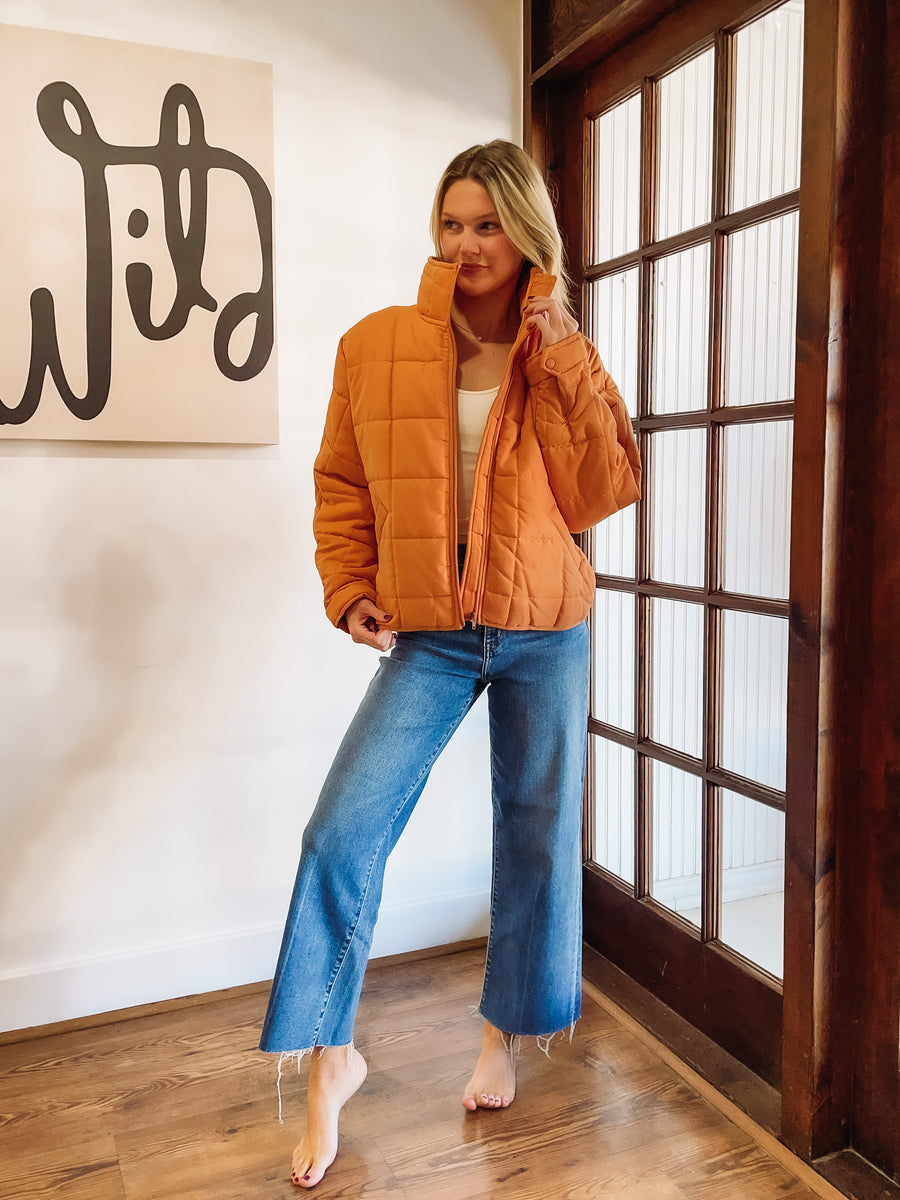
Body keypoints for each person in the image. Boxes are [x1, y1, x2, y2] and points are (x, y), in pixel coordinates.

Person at [259, 139, 641, 1189]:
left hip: (545, 627)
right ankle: (332, 1059)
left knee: (535, 837)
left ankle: (502, 1038)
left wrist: (561, 350)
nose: (467, 244)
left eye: (488, 225)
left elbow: (605, 489)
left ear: (528, 236)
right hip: (430, 632)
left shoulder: (560, 350)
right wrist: (350, 587)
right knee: (342, 832)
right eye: (452, 222)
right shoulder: (377, 344)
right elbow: (342, 482)